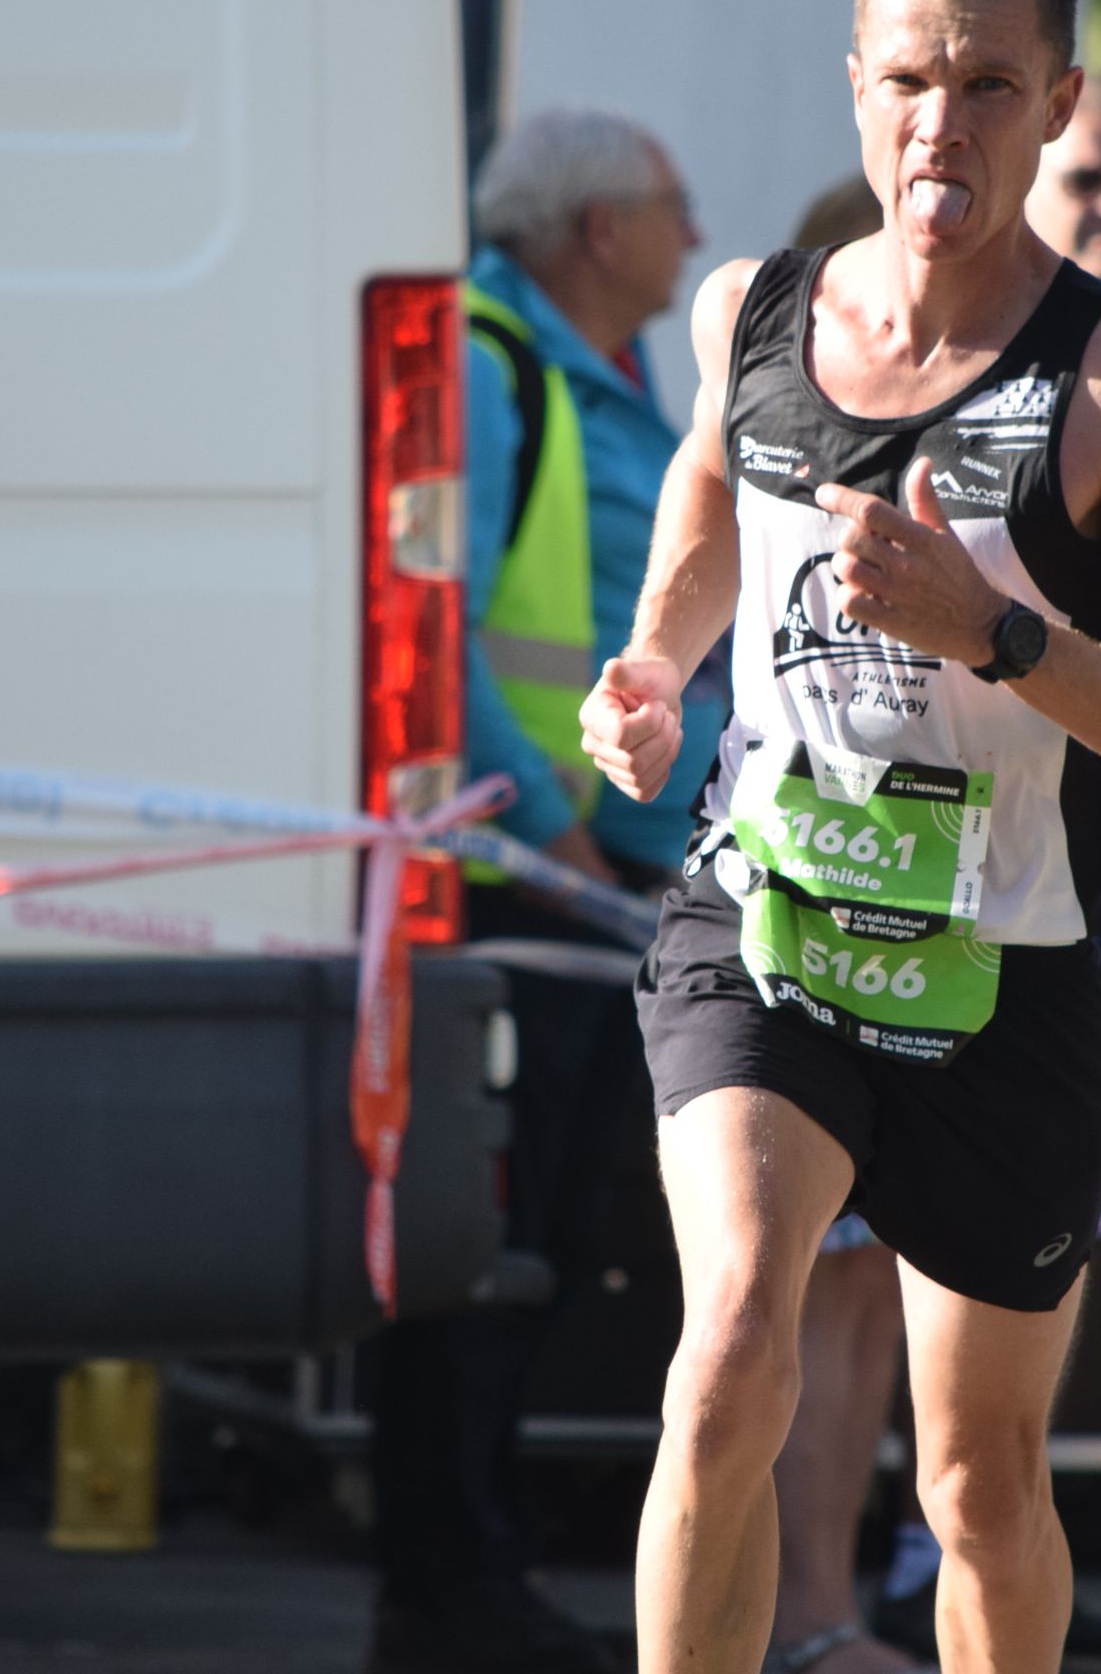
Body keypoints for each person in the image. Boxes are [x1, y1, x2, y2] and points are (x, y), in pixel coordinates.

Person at [581, 0, 1101, 1674]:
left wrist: (998, 634)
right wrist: (651, 665)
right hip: (771, 927)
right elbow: (712, 504)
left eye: (985, 86)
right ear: (856, 88)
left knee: (976, 1485)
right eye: (907, 81)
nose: (939, 126)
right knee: (731, 1355)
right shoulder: (751, 314)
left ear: (1057, 106)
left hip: (1002, 977)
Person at [368, 109, 720, 1674]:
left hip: (592, 882)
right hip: (524, 886)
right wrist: (550, 838)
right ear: (596, 230)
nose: (693, 235)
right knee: (493, 1248)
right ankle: (446, 1593)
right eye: (671, 206)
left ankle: (470, 1577)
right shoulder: (491, 365)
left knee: (552, 1241)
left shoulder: (597, 370)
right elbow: (435, 631)